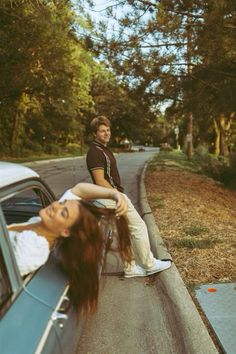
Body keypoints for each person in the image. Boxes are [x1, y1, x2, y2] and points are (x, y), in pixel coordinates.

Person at [7, 182, 133, 315]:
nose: (55, 205)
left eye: (63, 213)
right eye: (62, 203)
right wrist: (114, 194)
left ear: (66, 232)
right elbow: (78, 190)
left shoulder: (33, 249)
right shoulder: (45, 225)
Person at [86, 115, 172, 278]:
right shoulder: (95, 152)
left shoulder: (102, 149)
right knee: (138, 226)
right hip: (110, 197)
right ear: (94, 134)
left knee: (124, 231)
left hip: (110, 196)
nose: (106, 133)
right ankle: (149, 264)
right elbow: (99, 180)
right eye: (102, 131)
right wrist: (118, 196)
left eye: (108, 130)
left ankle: (130, 267)